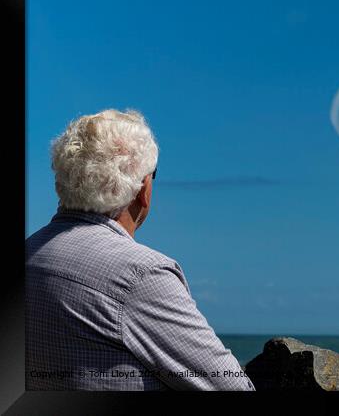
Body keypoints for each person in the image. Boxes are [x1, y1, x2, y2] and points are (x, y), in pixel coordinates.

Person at [25, 109, 255, 391]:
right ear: (143, 189)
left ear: (62, 182)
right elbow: (232, 387)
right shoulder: (141, 276)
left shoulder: (30, 254)